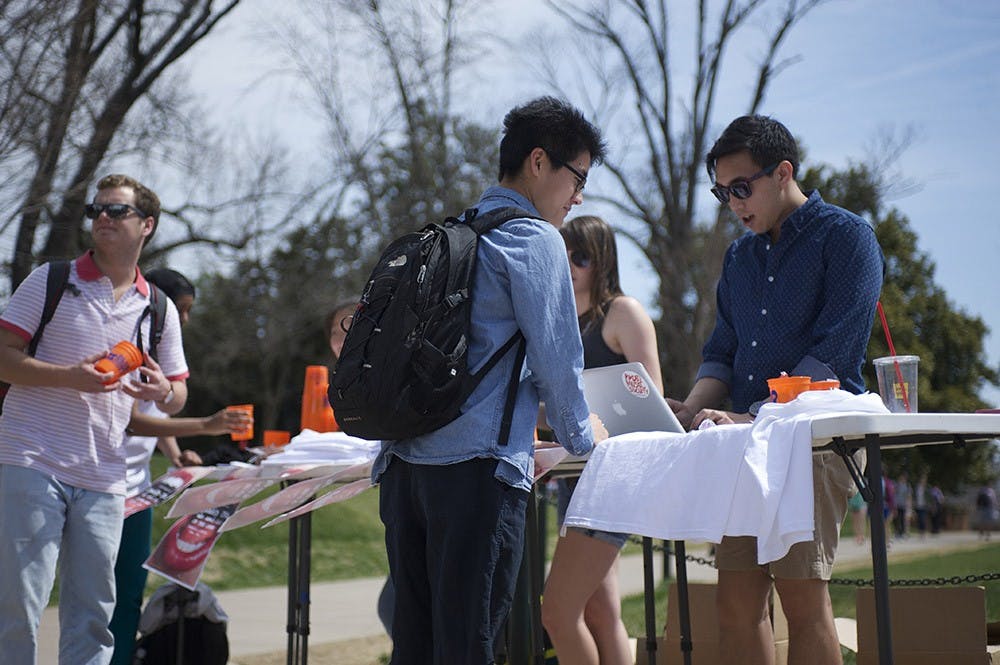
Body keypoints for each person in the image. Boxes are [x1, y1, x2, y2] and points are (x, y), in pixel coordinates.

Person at [371, 96, 608, 665]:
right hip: (477, 473)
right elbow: (557, 361)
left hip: (403, 469)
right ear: (538, 162)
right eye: (578, 178)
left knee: (416, 647)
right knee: (470, 644)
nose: (578, 197)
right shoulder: (532, 239)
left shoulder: (452, 234)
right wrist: (587, 444)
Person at [669, 115, 883, 665]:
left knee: (804, 604)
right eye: (723, 192)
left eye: (742, 187)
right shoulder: (739, 258)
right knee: (735, 608)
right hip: (745, 448)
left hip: (812, 443)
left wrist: (751, 417)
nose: (734, 203)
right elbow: (722, 350)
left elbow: (832, 358)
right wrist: (690, 408)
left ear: (784, 171)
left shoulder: (848, 238)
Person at [0, 174, 190, 664]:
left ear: (146, 225)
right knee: (19, 604)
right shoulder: (50, 280)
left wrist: (163, 389)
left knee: (93, 614)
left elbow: (178, 394)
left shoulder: (159, 308)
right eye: (97, 210)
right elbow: (3, 356)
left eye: (116, 210)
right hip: (31, 458)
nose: (102, 217)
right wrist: (70, 376)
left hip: (106, 476)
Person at [108, 268, 249, 665]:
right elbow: (134, 419)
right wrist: (206, 426)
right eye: (179, 310)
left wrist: (174, 454)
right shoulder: (124, 346)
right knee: (106, 595)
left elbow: (154, 414)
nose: (184, 320)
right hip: (104, 484)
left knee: (130, 591)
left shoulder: (161, 349)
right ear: (156, 304)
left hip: (139, 486)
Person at [541, 215, 662, 665]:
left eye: (582, 256)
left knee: (557, 612)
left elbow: (650, 398)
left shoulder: (621, 312)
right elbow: (552, 408)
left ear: (603, 260)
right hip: (575, 481)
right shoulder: (553, 320)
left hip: (615, 477)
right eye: (563, 254)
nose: (570, 264)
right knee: (599, 610)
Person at [894, 471, 911, 538]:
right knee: (898, 519)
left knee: (903, 519)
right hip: (897, 504)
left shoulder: (907, 486)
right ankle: (898, 532)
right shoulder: (897, 485)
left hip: (904, 505)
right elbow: (894, 494)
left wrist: (908, 505)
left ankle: (903, 532)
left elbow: (909, 496)